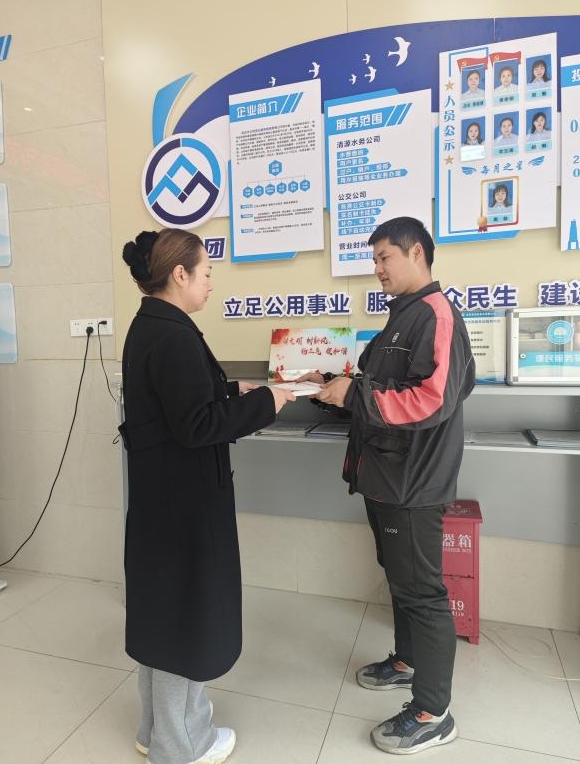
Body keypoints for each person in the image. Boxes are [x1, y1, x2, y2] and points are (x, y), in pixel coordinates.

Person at [299, 217, 475, 755]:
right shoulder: (401, 317)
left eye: (384, 258)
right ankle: (407, 660)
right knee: (401, 580)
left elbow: (431, 400)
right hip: (383, 478)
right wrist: (333, 388)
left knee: (423, 592)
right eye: (373, 259)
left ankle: (433, 713)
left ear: (416, 252)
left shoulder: (436, 314)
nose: (376, 269)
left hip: (413, 484)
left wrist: (354, 395)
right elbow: (380, 391)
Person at [120, 228, 295, 764]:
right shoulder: (173, 335)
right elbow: (196, 425)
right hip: (185, 503)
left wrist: (235, 391)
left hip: (162, 497)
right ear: (180, 274)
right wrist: (268, 403)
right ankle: (182, 745)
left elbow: (179, 402)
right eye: (207, 272)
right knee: (185, 617)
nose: (211, 283)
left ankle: (155, 728)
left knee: (161, 613)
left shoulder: (152, 325)